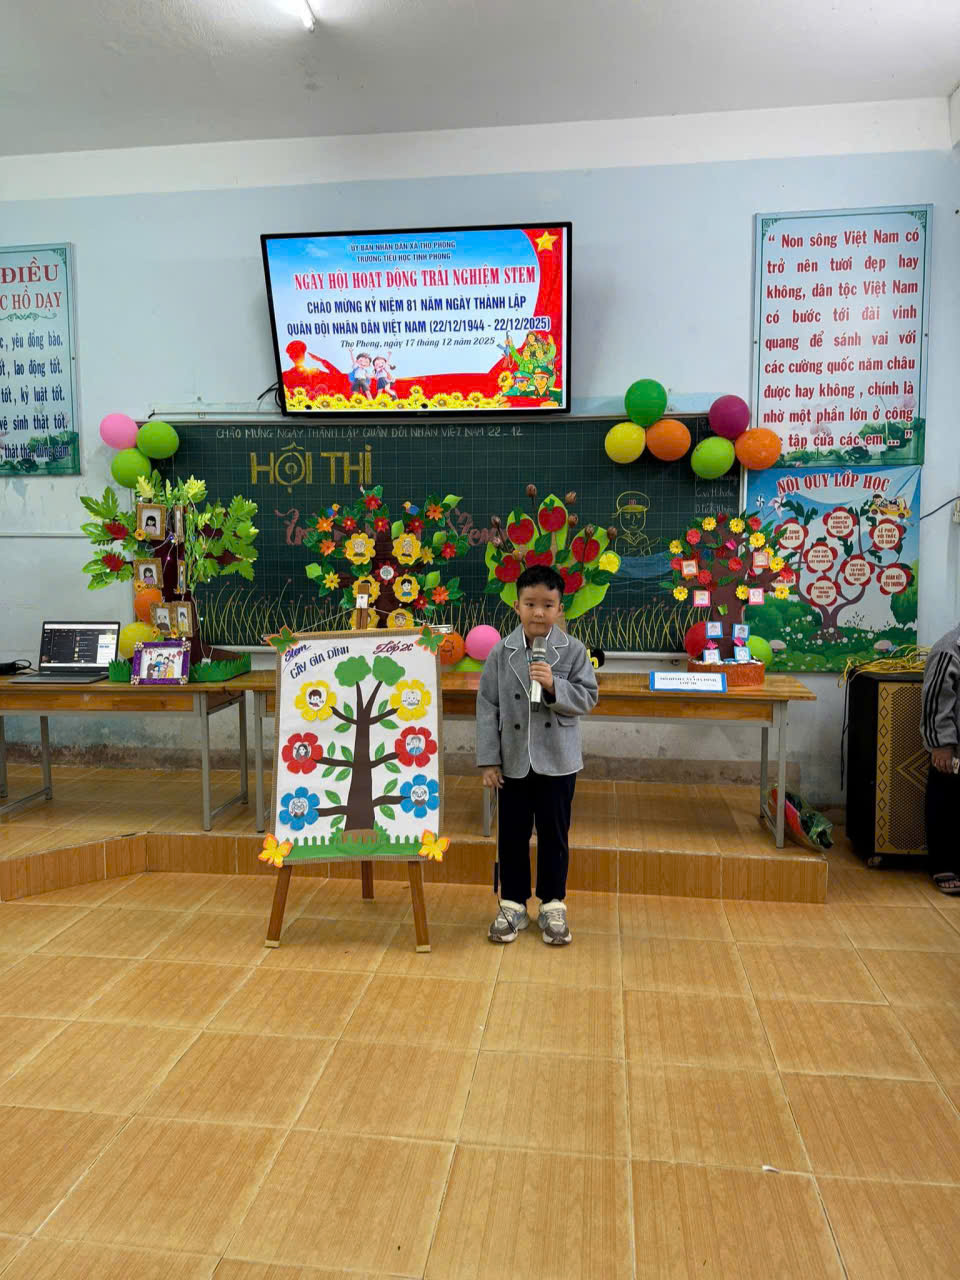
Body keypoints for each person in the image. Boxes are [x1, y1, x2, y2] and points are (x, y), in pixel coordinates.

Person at [476, 564, 598, 944]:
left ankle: (552, 903)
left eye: (548, 604)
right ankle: (513, 903)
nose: (539, 613)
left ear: (560, 608)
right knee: (511, 834)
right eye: (530, 604)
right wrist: (489, 760)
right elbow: (487, 706)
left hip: (558, 761)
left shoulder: (573, 650)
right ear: (517, 606)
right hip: (513, 760)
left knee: (554, 833)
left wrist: (553, 685)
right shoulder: (501, 651)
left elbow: (588, 697)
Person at [921, 624, 960, 894]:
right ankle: (943, 863)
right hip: (953, 751)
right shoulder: (948, 650)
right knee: (946, 803)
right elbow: (935, 701)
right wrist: (941, 744)